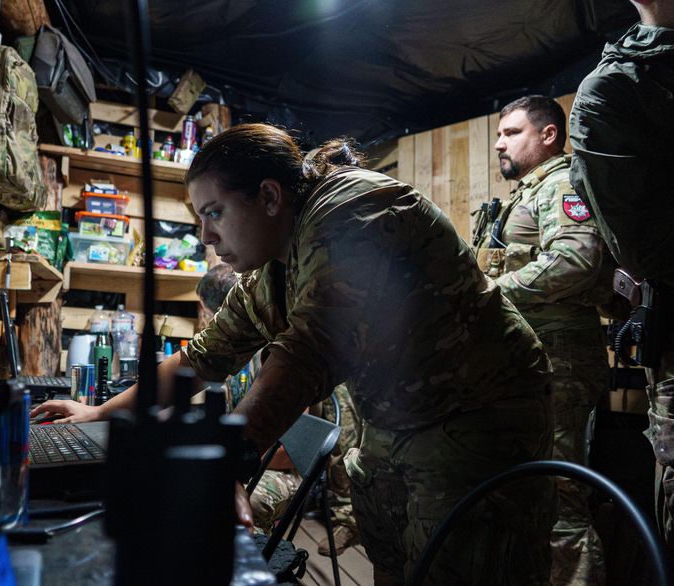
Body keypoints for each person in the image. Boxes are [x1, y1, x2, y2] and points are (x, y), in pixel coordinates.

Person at [34, 123, 555, 584]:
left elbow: (309, 350)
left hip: (480, 419)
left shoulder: (352, 210)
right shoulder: (272, 268)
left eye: (214, 212)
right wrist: (98, 413)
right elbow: (204, 356)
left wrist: (225, 464)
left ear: (268, 196)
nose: (207, 236)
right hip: (400, 424)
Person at [472, 96, 608, 585]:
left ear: (548, 135)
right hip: (532, 360)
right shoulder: (526, 193)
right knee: (533, 492)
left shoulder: (560, 184)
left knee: (561, 496)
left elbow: (576, 259)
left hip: (560, 361)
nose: (498, 143)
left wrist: (488, 293)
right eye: (499, 134)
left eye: (511, 133)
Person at [569, 0, 674, 546]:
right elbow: (640, 248)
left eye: (510, 131)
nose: (498, 142)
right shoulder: (619, 87)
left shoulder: (617, 89)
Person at [196, 264, 361, 556]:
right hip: (249, 461)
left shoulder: (278, 358)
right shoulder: (232, 357)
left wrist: (227, 460)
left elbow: (291, 454)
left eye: (213, 312)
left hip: (283, 469)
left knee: (219, 502)